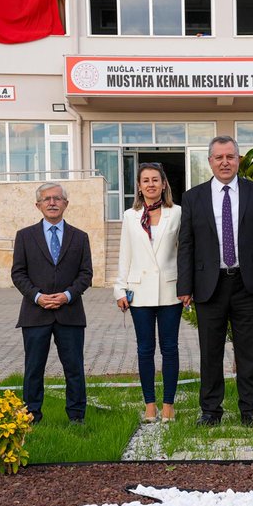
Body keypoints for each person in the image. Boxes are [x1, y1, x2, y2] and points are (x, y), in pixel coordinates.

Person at [177, 136, 253, 427]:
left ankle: (250, 411)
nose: (225, 162)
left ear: (239, 160)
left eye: (230, 157)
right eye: (219, 157)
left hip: (247, 284)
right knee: (210, 352)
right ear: (209, 161)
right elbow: (186, 243)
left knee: (249, 351)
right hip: (208, 285)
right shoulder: (193, 197)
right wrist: (184, 286)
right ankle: (210, 411)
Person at [11, 183, 92, 425]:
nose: (52, 202)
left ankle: (77, 416)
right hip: (35, 314)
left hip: (70, 313)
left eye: (57, 198)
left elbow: (86, 274)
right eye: (47, 199)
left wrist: (68, 295)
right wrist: (37, 296)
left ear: (66, 204)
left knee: (74, 368)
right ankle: (31, 416)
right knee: (34, 369)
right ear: (38, 205)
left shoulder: (80, 237)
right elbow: (18, 273)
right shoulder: (25, 236)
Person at [113, 163, 182, 423]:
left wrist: (187, 287)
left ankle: (168, 405)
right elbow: (125, 254)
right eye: (145, 180)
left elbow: (183, 252)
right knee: (144, 349)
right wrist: (120, 288)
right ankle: (149, 405)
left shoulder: (176, 213)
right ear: (139, 187)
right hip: (139, 291)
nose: (151, 184)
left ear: (164, 184)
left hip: (170, 290)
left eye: (156, 180)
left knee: (170, 348)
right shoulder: (130, 216)